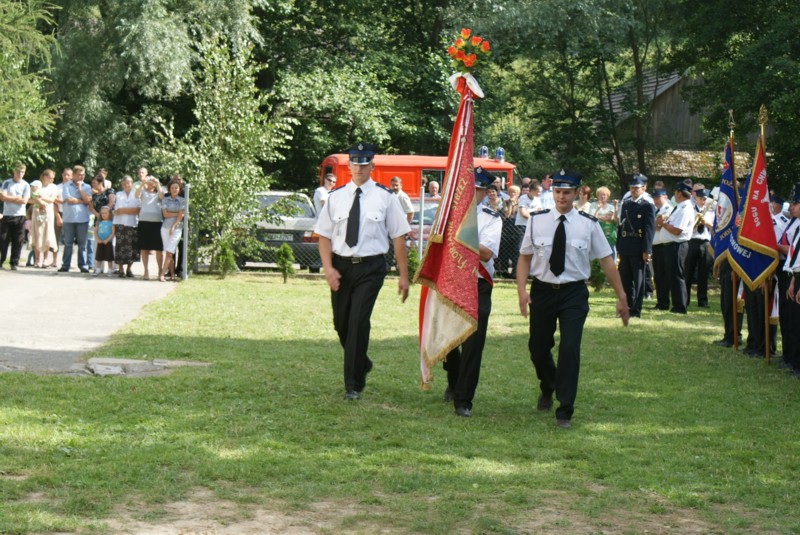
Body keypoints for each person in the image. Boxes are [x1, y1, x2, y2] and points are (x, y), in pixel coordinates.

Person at [516, 169, 629, 429]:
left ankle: (564, 409)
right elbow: (524, 257)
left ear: (576, 193)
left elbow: (606, 261)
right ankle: (548, 384)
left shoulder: (589, 224)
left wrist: (621, 296)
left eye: (567, 192)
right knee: (538, 349)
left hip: (573, 293)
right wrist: (521, 291)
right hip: (543, 291)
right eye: (557, 191)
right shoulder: (537, 220)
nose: (561, 197)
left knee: (569, 349)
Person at [314, 142, 411, 401]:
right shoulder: (336, 197)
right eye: (355, 164)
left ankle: (353, 385)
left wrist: (403, 276)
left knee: (357, 321)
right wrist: (328, 269)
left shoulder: (385, 197)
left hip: (371, 267)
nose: (359, 168)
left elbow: (399, 237)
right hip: (341, 267)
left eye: (364, 164)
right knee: (341, 324)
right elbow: (323, 235)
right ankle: (362, 362)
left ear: (372, 166)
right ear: (349, 166)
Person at [443, 168, 502, 417]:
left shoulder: (491, 219)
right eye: (469, 188)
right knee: (448, 339)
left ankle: (464, 399)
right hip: (452, 282)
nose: (472, 193)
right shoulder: (449, 215)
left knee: (473, 343)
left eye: (477, 189)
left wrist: (459, 235)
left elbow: (486, 253)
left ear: (485, 192)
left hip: (478, 284)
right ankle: (454, 379)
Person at [616, 174, 655, 318]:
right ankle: (627, 307)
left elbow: (649, 230)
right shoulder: (626, 203)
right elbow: (621, 226)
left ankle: (636, 309)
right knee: (624, 279)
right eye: (632, 187)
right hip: (625, 244)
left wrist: (647, 250)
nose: (634, 190)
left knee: (638, 280)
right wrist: (619, 246)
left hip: (638, 246)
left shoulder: (647, 205)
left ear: (644, 188)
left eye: (637, 188)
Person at [657, 182, 695, 314]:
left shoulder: (685, 208)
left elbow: (678, 230)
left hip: (677, 245)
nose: (674, 195)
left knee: (677, 276)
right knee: (672, 275)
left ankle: (680, 306)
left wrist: (663, 224)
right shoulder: (680, 207)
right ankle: (676, 304)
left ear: (679, 193)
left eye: (675, 192)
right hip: (671, 246)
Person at [780, 185, 800, 374]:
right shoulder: (798, 226)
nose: (791, 206)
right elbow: (795, 256)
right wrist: (794, 281)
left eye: (795, 203)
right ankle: (792, 360)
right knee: (792, 321)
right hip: (795, 276)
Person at [684, 187, 715, 308]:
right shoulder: (690, 210)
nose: (703, 201)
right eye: (701, 198)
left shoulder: (710, 212)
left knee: (703, 272)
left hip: (705, 242)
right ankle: (685, 299)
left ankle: (702, 300)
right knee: (688, 271)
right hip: (692, 241)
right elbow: (686, 227)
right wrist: (695, 223)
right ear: (695, 197)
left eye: (705, 199)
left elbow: (714, 228)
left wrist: (706, 223)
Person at [58, 165, 92, 273]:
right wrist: (82, 201)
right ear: (73, 175)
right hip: (69, 219)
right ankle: (65, 265)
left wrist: (80, 189)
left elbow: (88, 200)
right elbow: (68, 200)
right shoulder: (66, 185)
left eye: (83, 175)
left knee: (83, 245)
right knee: (68, 244)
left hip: (83, 219)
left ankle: (83, 265)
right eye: (79, 175)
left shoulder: (87, 187)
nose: (81, 177)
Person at [0, 164, 31, 270]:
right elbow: (2, 197)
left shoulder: (26, 185)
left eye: (22, 172)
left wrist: (11, 198)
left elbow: (24, 201)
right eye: (18, 172)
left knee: (18, 240)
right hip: (7, 215)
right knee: (3, 239)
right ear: (14, 171)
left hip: (20, 216)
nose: (20, 174)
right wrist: (17, 198)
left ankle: (14, 262)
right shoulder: (7, 183)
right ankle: (1, 260)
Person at [137, 176, 164, 280]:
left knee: (159, 248)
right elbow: (136, 195)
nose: (150, 183)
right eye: (149, 181)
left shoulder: (159, 191)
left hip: (157, 222)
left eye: (152, 181)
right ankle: (146, 270)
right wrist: (142, 184)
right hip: (144, 221)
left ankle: (160, 270)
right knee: (144, 248)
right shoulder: (143, 192)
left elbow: (162, 197)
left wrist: (158, 184)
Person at [113, 175, 141, 277]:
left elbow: (137, 210)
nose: (126, 185)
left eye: (128, 183)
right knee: (120, 247)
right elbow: (117, 210)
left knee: (132, 247)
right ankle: (120, 269)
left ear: (131, 184)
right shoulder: (118, 194)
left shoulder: (136, 194)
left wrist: (124, 210)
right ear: (122, 184)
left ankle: (129, 269)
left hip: (132, 224)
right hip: (120, 223)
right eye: (124, 183)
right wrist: (129, 210)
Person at [30, 170, 58, 269]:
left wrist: (42, 198)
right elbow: (32, 197)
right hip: (37, 212)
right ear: (44, 176)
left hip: (48, 212)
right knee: (37, 234)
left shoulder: (53, 187)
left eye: (53, 178)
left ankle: (45, 259)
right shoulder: (37, 184)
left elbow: (52, 199)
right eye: (50, 178)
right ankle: (37, 259)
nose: (52, 180)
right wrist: (40, 202)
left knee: (47, 235)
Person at [651, 188, 673, 311]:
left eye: (658, 198)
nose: (656, 201)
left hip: (663, 245)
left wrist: (654, 224)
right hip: (655, 245)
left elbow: (660, 226)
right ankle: (660, 301)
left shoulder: (669, 209)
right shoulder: (655, 210)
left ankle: (664, 303)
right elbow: (652, 225)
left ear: (665, 197)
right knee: (658, 276)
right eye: (654, 198)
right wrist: (654, 224)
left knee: (663, 275)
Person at [160, 178, 185, 282]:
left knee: (170, 252)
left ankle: (162, 274)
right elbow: (165, 214)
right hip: (165, 228)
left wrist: (174, 225)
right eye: (172, 188)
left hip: (176, 228)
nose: (174, 190)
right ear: (169, 189)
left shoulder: (182, 200)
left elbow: (181, 216)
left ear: (179, 189)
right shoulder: (165, 199)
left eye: (176, 188)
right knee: (168, 252)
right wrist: (177, 214)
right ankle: (172, 274)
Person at [495, 184, 520, 278]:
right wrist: (510, 204)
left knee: (516, 250)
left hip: (517, 229)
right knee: (504, 249)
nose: (513, 194)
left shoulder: (521, 203)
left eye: (515, 192)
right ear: (508, 193)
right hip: (506, 229)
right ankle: (504, 271)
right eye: (511, 192)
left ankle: (515, 272)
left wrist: (515, 204)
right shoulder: (505, 202)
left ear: (518, 194)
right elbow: (507, 215)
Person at [592, 186, 617, 262]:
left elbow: (612, 219)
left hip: (609, 238)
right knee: (597, 261)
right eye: (600, 195)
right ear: (597, 196)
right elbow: (592, 219)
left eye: (604, 195)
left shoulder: (611, 207)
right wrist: (599, 211)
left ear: (608, 196)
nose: (602, 196)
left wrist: (599, 217)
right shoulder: (593, 205)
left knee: (611, 260)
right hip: (596, 238)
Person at [94, 206, 115, 275]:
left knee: (109, 257)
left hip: (108, 242)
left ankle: (110, 270)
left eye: (106, 213)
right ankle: (98, 269)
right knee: (99, 257)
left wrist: (107, 240)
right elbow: (95, 232)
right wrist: (98, 239)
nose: (104, 214)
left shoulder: (111, 223)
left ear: (109, 214)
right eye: (102, 213)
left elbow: (113, 233)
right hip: (100, 242)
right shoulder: (98, 222)